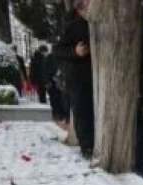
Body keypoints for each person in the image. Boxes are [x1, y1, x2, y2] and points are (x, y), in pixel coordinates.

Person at [53, 0, 94, 158]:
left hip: (94, 77)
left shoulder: (100, 24)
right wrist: (75, 52)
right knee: (82, 112)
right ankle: (86, 147)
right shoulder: (73, 26)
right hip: (78, 78)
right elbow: (57, 50)